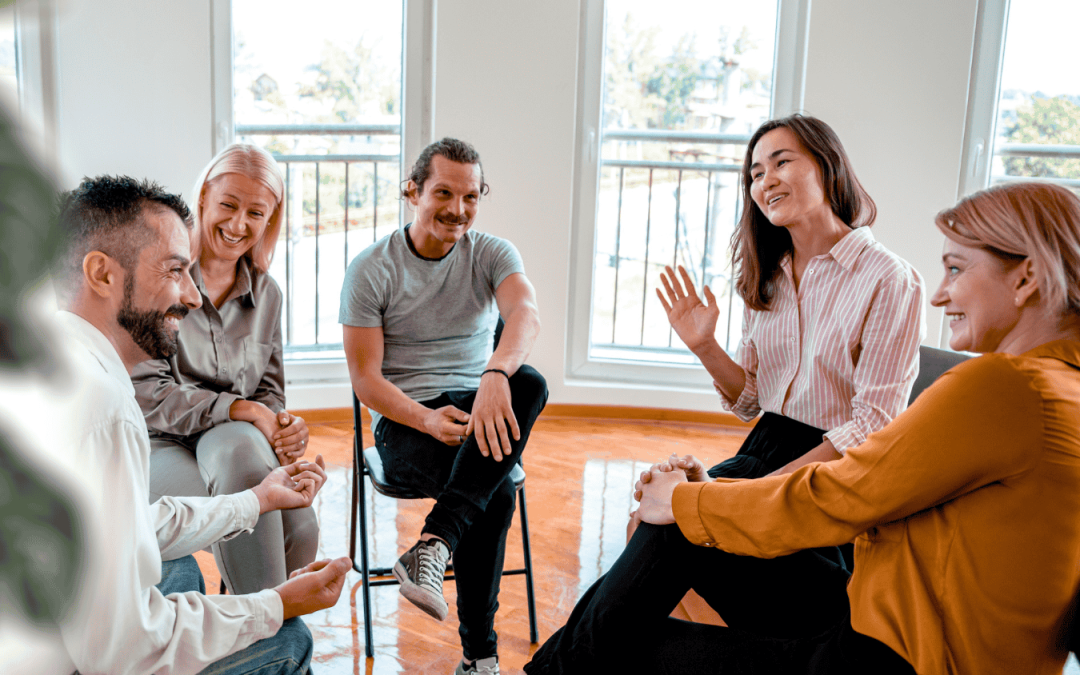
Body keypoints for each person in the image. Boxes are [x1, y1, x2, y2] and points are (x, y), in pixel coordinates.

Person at [535, 180, 1080, 674]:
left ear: (1027, 277)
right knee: (663, 550)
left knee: (617, 644)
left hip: (894, 657)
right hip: (884, 610)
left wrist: (689, 501)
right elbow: (861, 483)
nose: (941, 293)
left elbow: (847, 493)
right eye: (756, 171)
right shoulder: (1057, 387)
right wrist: (707, 498)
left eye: (957, 269)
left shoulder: (1006, 386)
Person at [49, 174, 350, 674]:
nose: (192, 296)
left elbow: (129, 527)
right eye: (174, 270)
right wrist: (274, 606)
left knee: (177, 566)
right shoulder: (103, 410)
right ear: (102, 274)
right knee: (290, 640)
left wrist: (257, 500)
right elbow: (123, 651)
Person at [341, 137, 547, 675]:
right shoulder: (371, 269)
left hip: (478, 403)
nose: (458, 209)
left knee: (530, 383)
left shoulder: (492, 252)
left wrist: (495, 374)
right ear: (412, 191)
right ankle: (480, 658)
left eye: (471, 196)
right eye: (444, 193)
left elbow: (526, 313)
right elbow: (366, 380)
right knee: (495, 492)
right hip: (405, 420)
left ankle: (434, 543)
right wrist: (428, 419)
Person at [132, 144, 318, 595]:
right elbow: (150, 395)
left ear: (270, 220)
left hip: (237, 446)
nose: (238, 225)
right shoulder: (160, 277)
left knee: (302, 528)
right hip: (161, 443)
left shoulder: (267, 294)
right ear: (203, 199)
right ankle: (266, 625)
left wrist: (282, 427)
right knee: (246, 474)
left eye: (255, 213)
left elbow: (269, 392)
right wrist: (245, 411)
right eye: (228, 205)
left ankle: (260, 622)